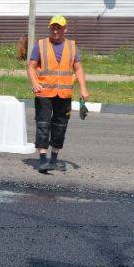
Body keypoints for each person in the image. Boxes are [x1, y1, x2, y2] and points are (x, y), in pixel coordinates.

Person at [27, 16, 90, 173]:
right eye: (53, 27)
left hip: (64, 93)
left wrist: (83, 89)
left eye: (59, 28)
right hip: (44, 92)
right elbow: (31, 67)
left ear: (65, 29)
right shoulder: (40, 45)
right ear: (50, 28)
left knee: (60, 126)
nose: (55, 30)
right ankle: (42, 160)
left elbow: (79, 69)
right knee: (43, 124)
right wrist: (34, 82)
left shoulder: (72, 46)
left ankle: (54, 159)